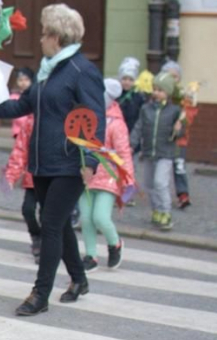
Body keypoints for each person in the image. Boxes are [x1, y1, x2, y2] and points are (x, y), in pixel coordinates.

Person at [0, 4, 105, 316]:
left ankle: (40, 294)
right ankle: (78, 279)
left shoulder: (81, 71)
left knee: (49, 225)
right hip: (43, 162)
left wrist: (89, 160)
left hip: (68, 163)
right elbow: (21, 106)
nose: (41, 39)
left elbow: (94, 119)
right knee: (58, 224)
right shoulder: (49, 72)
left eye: (45, 33)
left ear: (59, 37)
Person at [79, 79, 135, 272]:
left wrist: (128, 179)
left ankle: (115, 243)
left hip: (109, 174)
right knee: (85, 218)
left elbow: (124, 152)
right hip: (87, 173)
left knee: (100, 217)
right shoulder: (86, 118)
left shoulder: (117, 124)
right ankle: (91, 255)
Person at [130, 71, 181, 232]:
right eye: (155, 89)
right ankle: (156, 211)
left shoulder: (174, 111)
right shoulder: (146, 109)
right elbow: (139, 127)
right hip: (148, 152)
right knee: (149, 184)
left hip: (165, 153)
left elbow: (179, 134)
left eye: (160, 90)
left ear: (168, 92)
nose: (156, 93)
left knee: (161, 183)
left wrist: (178, 129)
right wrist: (131, 143)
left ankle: (166, 212)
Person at [4, 68, 39, 263]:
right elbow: (20, 151)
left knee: (48, 214)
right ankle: (36, 237)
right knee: (28, 209)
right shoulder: (29, 123)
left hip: (52, 176)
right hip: (32, 176)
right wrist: (11, 176)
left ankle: (47, 246)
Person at [161, 60, 195, 210]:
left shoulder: (184, 97)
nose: (172, 80)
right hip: (162, 140)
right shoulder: (161, 95)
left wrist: (186, 112)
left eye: (175, 76)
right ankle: (160, 194)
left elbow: (189, 118)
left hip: (179, 141)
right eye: (168, 76)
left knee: (179, 167)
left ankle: (183, 194)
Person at [117, 57, 146, 140]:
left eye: (130, 80)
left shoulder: (138, 97)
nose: (127, 82)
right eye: (124, 79)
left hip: (132, 133)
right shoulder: (116, 95)